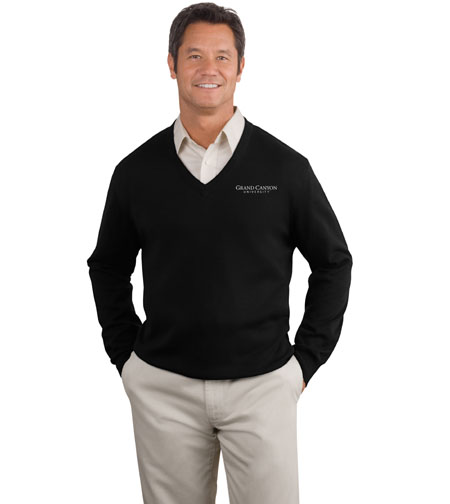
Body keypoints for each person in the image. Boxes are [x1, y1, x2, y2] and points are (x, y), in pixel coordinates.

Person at [86, 3, 353, 503]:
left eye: (222, 57)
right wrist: (126, 359)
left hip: (263, 387)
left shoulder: (284, 169)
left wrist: (304, 363)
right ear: (171, 64)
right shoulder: (136, 172)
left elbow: (334, 261)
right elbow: (107, 265)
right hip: (163, 388)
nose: (208, 68)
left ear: (240, 67)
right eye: (194, 55)